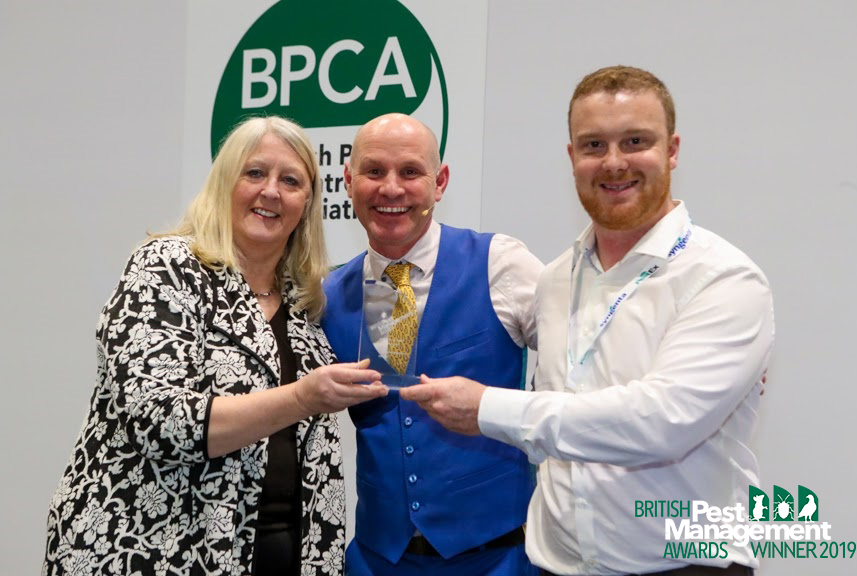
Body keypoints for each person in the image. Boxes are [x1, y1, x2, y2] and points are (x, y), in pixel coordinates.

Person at [401, 66, 775, 576]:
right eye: (594, 144)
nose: (614, 162)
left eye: (635, 141)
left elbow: (659, 423)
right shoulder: (554, 279)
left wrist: (489, 408)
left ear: (672, 150)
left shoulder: (724, 279)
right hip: (556, 566)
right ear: (572, 156)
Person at [43, 116, 388, 576]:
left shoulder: (309, 301)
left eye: (290, 180)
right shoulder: (167, 267)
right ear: (225, 183)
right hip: (148, 551)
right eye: (254, 173)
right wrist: (304, 397)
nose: (271, 191)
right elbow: (162, 420)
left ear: (306, 203)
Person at [320, 113, 543, 575]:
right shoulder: (327, 295)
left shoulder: (499, 264)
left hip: (497, 559)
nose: (391, 189)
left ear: (439, 182)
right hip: (377, 562)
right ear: (349, 181)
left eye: (410, 172)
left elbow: (580, 365)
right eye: (374, 171)